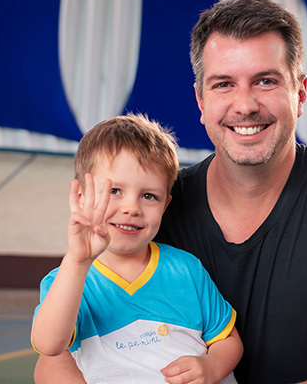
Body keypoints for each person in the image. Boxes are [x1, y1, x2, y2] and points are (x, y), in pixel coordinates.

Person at [35, 0, 307, 384]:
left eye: (266, 81)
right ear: (201, 102)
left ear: (300, 94)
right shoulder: (159, 205)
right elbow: (54, 359)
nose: (245, 105)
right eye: (223, 84)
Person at [31, 113, 242, 384]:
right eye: (115, 191)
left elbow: (229, 339)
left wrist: (212, 366)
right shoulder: (67, 281)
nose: (131, 208)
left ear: (165, 205)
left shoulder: (186, 269)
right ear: (83, 198)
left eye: (148, 196)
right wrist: (77, 261)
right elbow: (49, 345)